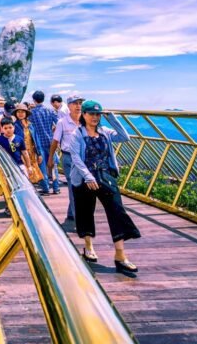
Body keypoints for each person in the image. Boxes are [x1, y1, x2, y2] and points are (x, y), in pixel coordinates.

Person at [68, 100, 140, 276]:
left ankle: (120, 256)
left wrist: (111, 118)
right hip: (85, 178)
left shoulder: (105, 132)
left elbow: (125, 137)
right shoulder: (76, 134)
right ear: (83, 115)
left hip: (105, 176)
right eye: (91, 113)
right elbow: (76, 158)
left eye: (98, 114)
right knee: (85, 211)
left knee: (117, 211)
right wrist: (88, 177)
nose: (95, 117)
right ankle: (88, 247)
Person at [47, 95, 84, 221]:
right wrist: (50, 158)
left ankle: (71, 212)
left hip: (83, 157)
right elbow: (55, 141)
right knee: (73, 186)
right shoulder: (62, 122)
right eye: (75, 103)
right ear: (68, 106)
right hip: (69, 157)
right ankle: (79, 219)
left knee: (81, 186)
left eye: (80, 103)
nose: (78, 106)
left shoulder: (86, 120)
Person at [29, 91, 59, 195]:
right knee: (53, 165)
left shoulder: (31, 113)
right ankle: (56, 187)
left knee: (42, 166)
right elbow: (58, 123)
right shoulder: (50, 111)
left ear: (34, 99)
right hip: (51, 140)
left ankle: (45, 188)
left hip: (38, 142)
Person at [12, 103, 43, 183]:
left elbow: (36, 139)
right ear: (16, 114)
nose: (20, 114)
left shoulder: (30, 125)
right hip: (21, 153)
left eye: (23, 112)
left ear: (26, 113)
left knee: (34, 172)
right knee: (24, 173)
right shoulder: (14, 126)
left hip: (31, 152)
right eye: (18, 112)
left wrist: (39, 153)